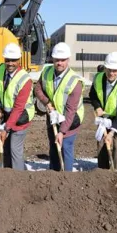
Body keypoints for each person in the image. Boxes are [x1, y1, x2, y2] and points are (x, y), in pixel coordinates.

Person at [35, 42, 84, 171]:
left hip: (71, 120)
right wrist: (47, 102)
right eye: (57, 60)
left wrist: (62, 132)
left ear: (68, 60)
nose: (59, 63)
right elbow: (38, 89)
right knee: (53, 147)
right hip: (53, 117)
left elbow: (70, 110)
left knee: (65, 147)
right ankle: (54, 175)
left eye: (63, 60)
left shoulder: (75, 82)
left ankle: (66, 177)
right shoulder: (46, 72)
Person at [0, 43, 35, 170]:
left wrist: (6, 129)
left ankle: (18, 178)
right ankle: (7, 175)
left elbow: (18, 108)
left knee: (14, 149)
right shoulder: (0, 69)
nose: (10, 63)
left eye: (14, 60)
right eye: (7, 60)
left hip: (21, 117)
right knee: (5, 147)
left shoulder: (25, 80)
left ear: (19, 59)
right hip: (7, 115)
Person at [89, 52, 117, 170]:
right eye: (109, 69)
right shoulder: (98, 78)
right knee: (102, 145)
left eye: (115, 70)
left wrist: (111, 132)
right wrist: (97, 106)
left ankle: (116, 172)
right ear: (105, 68)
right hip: (105, 118)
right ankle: (102, 173)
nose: (111, 73)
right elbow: (92, 94)